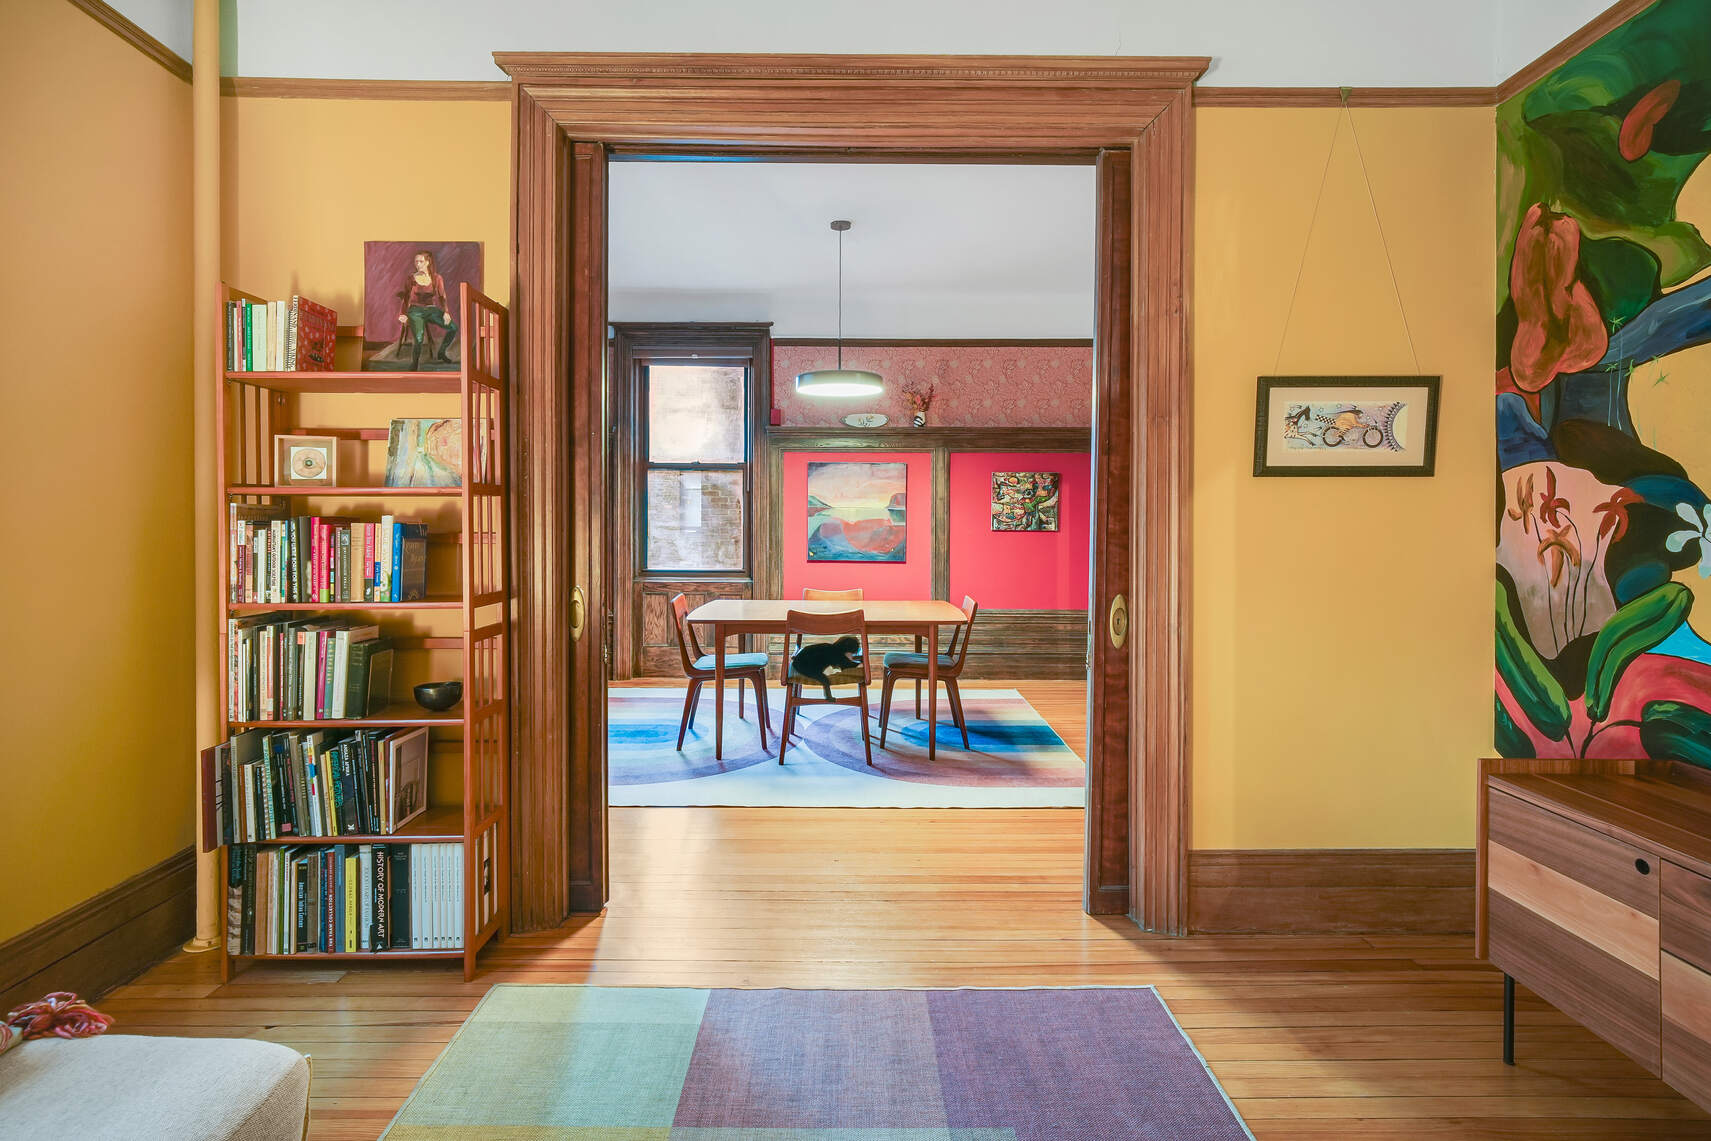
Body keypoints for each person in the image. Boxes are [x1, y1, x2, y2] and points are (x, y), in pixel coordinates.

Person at [397, 250, 458, 369]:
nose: (418, 264)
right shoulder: (411, 278)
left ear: (428, 262)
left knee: (453, 328)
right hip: (415, 311)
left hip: (431, 310)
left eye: (421, 261)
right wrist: (403, 314)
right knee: (419, 338)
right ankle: (414, 364)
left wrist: (446, 312)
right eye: (416, 262)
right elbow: (406, 297)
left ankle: (441, 352)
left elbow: (442, 296)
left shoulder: (437, 278)